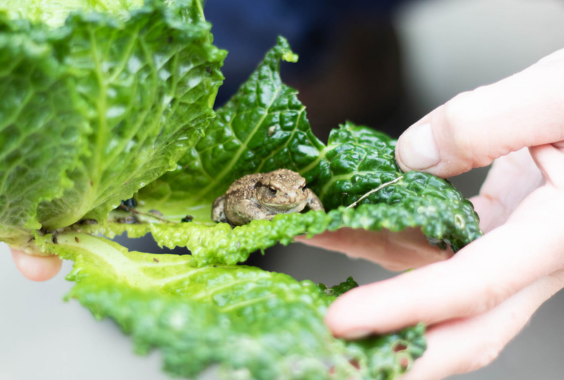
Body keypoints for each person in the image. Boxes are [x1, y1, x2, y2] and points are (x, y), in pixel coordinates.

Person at [9, 31, 564, 380]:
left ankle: (360, 58)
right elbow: (237, 201)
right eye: (282, 194)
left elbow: (304, 195)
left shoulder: (292, 191)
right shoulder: (253, 195)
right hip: (228, 199)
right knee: (236, 38)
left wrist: (310, 205)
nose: (292, 197)